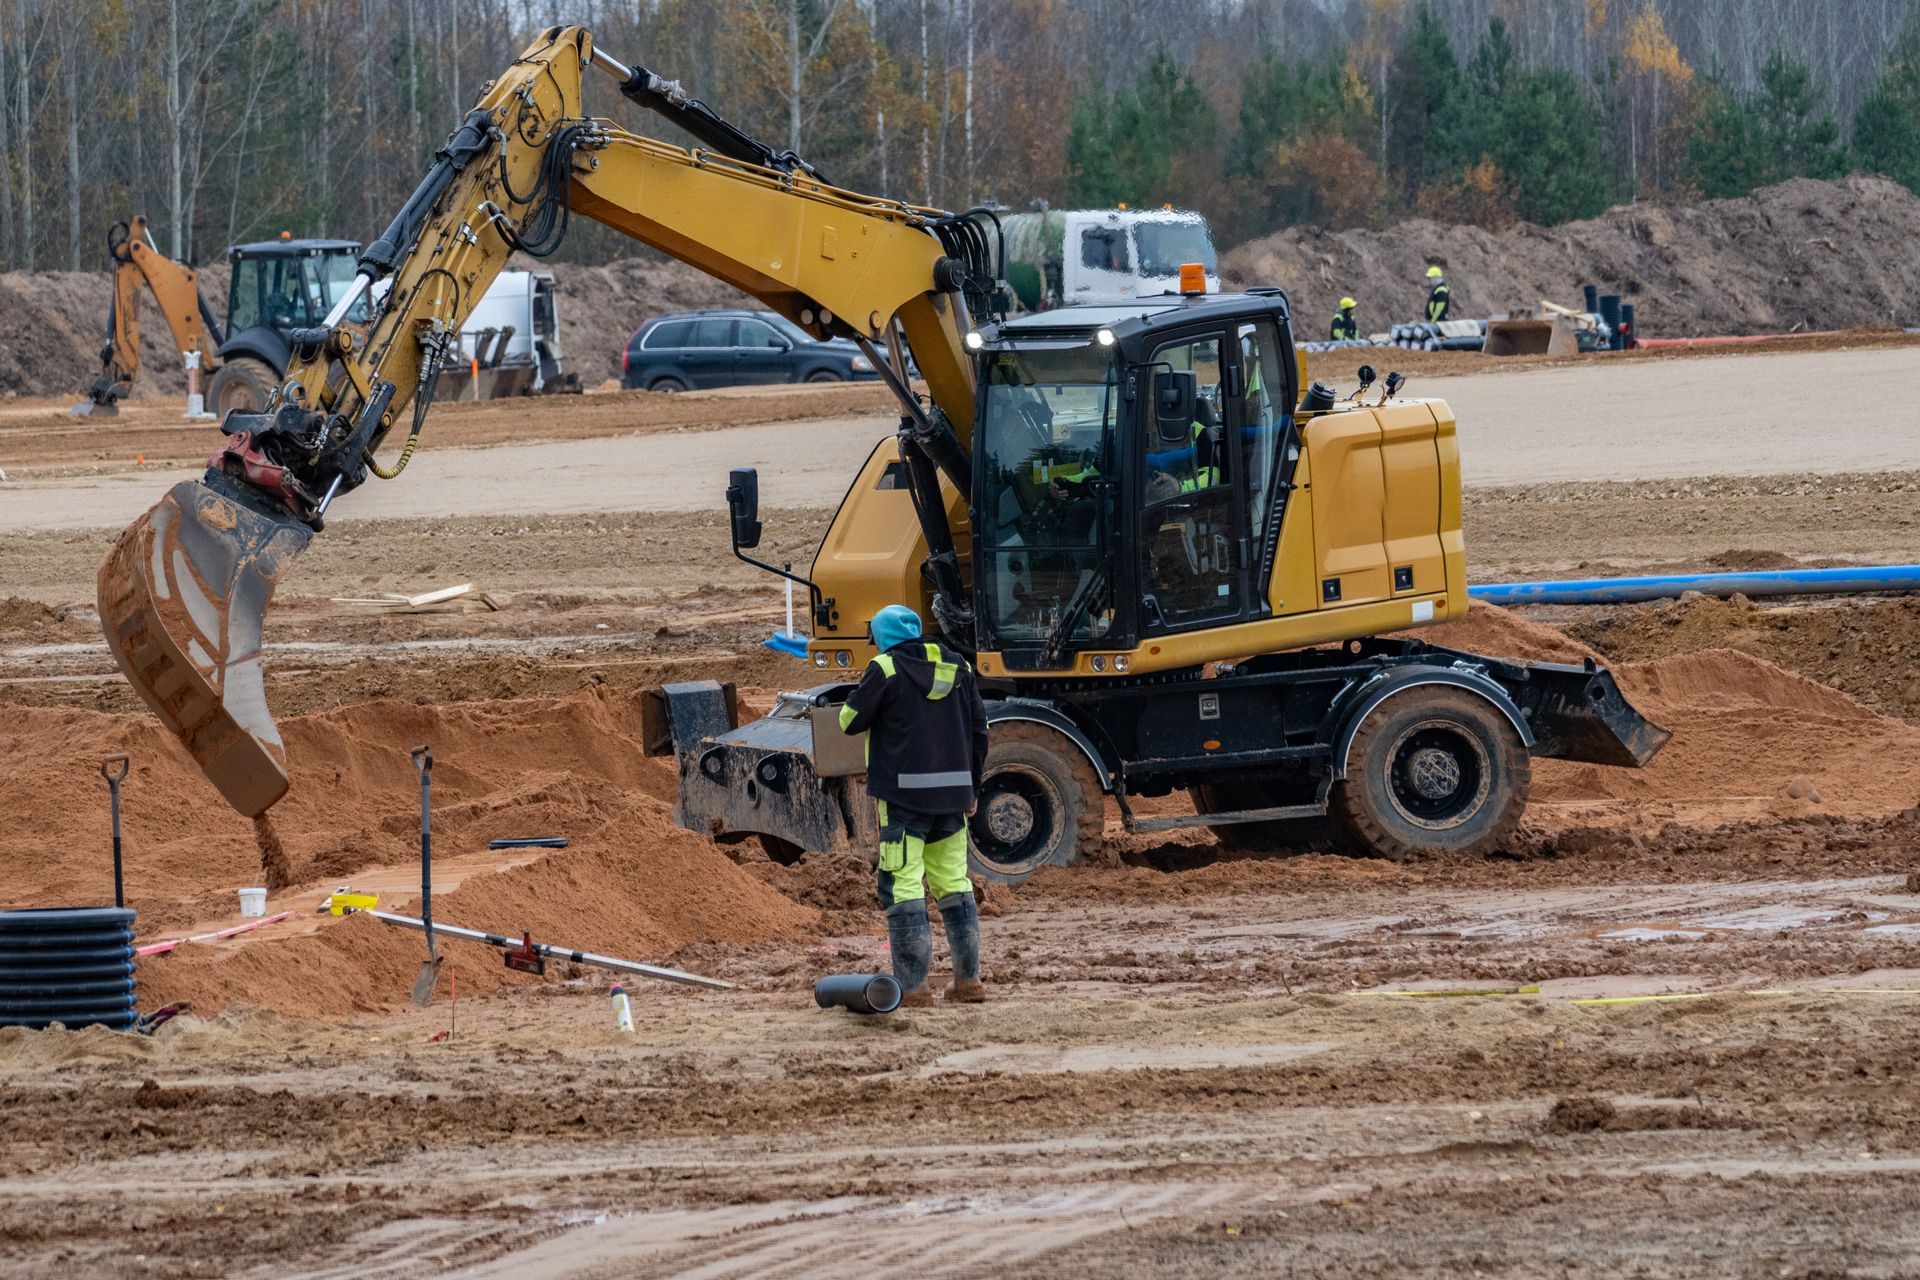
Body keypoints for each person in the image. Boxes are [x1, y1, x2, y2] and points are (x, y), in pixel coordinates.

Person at [838, 604, 991, 1006]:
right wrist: (972, 788)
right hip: (954, 798)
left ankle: (913, 989)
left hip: (903, 799)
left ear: (882, 637)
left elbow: (848, 721)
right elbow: (981, 730)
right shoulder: (960, 667)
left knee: (902, 886)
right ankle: (968, 982)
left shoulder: (885, 668)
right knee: (955, 884)